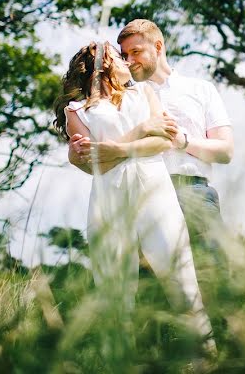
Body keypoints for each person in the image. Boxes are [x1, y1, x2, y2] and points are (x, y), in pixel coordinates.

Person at [53, 41, 214, 355]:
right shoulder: (76, 111)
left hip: (155, 188)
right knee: (114, 284)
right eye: (118, 55)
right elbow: (93, 163)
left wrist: (115, 149)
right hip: (109, 196)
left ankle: (207, 355)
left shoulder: (144, 93)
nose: (126, 60)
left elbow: (160, 144)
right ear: (103, 65)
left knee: (179, 271)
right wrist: (140, 130)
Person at [69, 19, 234, 257]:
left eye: (136, 52)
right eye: (124, 54)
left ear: (157, 47)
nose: (129, 60)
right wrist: (77, 156)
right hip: (139, 196)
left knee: (211, 278)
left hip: (192, 193)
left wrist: (182, 140)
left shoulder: (201, 89)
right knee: (152, 289)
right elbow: (99, 155)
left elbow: (225, 151)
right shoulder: (120, 99)